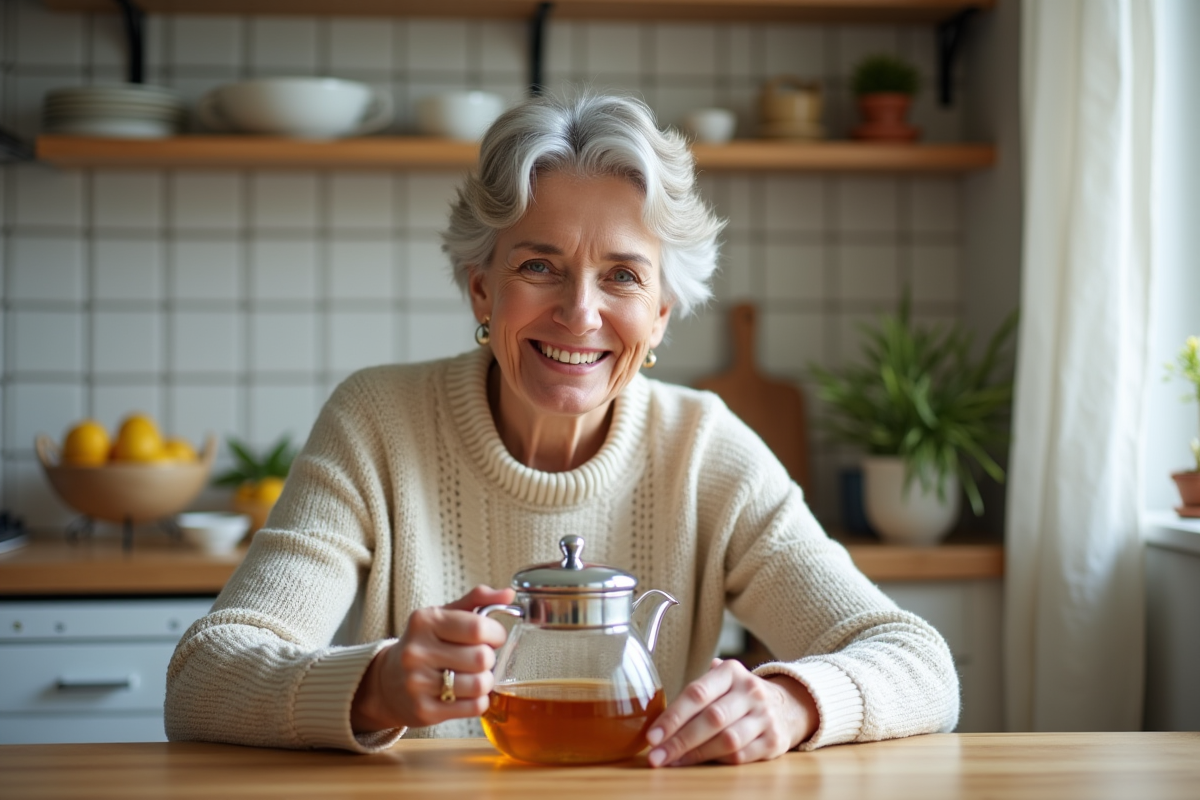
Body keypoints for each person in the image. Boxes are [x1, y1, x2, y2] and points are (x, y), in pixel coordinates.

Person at [165, 93, 959, 767]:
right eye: (538, 266)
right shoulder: (377, 423)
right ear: (482, 290)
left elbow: (921, 663)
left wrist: (791, 704)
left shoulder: (705, 448)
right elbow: (203, 677)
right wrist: (374, 684)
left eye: (621, 275)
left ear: (659, 315)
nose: (580, 313)